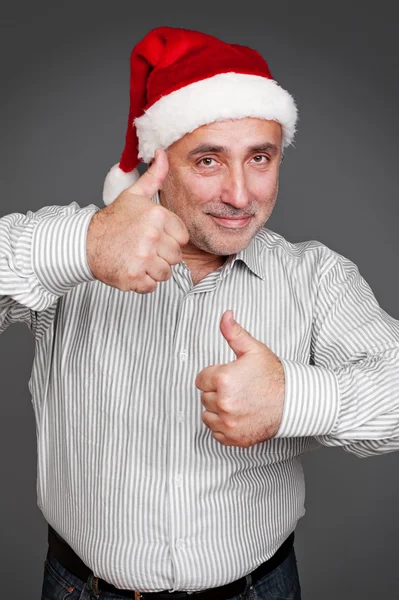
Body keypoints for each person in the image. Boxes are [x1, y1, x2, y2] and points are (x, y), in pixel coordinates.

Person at [1, 25, 399, 600]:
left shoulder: (316, 278)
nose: (241, 195)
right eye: (209, 160)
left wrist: (293, 398)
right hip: (80, 588)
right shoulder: (77, 254)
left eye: (259, 158)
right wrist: (82, 245)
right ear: (157, 164)